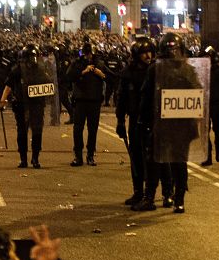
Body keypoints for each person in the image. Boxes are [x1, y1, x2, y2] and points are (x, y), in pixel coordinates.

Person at [137, 32, 205, 214]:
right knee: (176, 162)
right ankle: (176, 199)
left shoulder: (158, 69)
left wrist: (142, 121)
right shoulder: (185, 70)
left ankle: (153, 197)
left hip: (168, 125)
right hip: (178, 126)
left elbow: (146, 97)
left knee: (155, 161)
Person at [116, 37, 159, 207]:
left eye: (149, 52)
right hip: (135, 119)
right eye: (143, 53)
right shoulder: (128, 72)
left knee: (152, 159)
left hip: (153, 119)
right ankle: (138, 192)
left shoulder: (157, 71)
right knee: (135, 157)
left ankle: (153, 193)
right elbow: (122, 97)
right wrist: (120, 120)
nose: (147, 56)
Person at [0, 44, 52, 169]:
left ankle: (33, 158)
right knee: (25, 133)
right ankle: (26, 159)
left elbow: (49, 84)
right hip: (23, 106)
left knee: (34, 132)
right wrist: (3, 100)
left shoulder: (41, 69)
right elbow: (9, 85)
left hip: (36, 105)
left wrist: (2, 100)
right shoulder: (18, 70)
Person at [66, 42, 107, 166]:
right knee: (78, 129)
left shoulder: (99, 63)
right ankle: (78, 156)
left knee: (92, 129)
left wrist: (101, 74)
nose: (88, 57)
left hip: (94, 100)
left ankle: (90, 155)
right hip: (80, 100)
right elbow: (68, 77)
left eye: (89, 54)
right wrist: (83, 72)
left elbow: (111, 78)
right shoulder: (77, 63)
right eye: (86, 54)